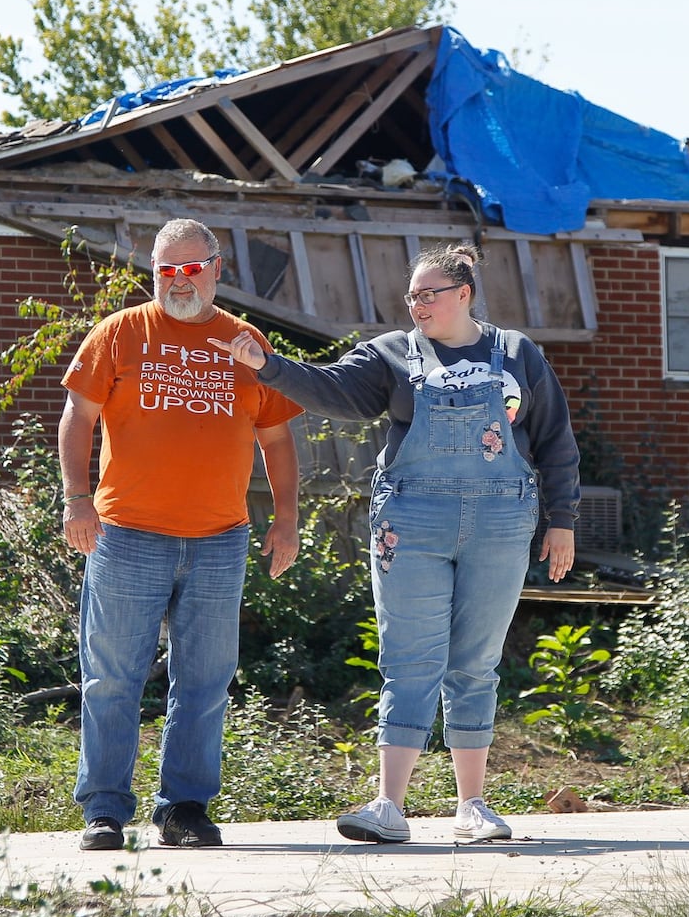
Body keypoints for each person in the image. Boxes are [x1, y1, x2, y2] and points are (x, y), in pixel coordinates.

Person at [224, 242, 578, 843]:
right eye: (411, 296)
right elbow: (329, 388)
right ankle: (389, 807)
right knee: (409, 659)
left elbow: (555, 438)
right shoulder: (390, 355)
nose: (417, 305)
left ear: (463, 294)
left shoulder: (517, 353)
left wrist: (563, 519)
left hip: (501, 523)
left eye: (428, 294)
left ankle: (473, 808)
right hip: (410, 523)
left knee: (475, 663)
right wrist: (269, 365)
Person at [59, 218, 303, 851]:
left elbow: (276, 438)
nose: (178, 280)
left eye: (191, 267)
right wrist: (77, 501)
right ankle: (105, 810)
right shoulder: (119, 333)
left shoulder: (246, 343)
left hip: (220, 538)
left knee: (205, 677)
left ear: (217, 269)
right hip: (127, 533)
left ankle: (184, 809)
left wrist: (286, 520)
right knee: (112, 676)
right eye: (166, 269)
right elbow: (77, 417)